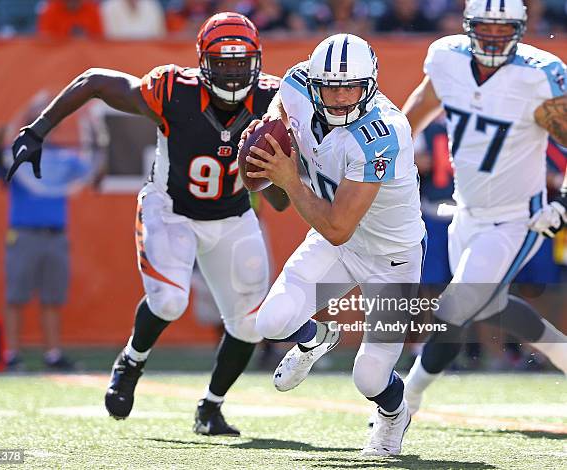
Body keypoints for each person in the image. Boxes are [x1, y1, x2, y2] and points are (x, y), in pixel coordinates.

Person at [6, 12, 288, 436]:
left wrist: (274, 172)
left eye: (240, 61)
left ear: (257, 61)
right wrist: (40, 129)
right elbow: (95, 80)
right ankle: (132, 361)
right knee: (169, 301)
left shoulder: (275, 101)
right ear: (202, 62)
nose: (232, 72)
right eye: (222, 61)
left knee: (249, 323)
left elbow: (281, 202)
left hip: (232, 214)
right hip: (171, 209)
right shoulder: (173, 90)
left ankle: (210, 408)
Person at [243, 33, 426, 456]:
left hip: (390, 257)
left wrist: (288, 178)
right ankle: (315, 338)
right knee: (271, 323)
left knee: (370, 378)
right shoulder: (296, 86)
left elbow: (338, 225)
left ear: (371, 84)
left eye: (351, 87)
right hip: (338, 247)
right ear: (313, 82)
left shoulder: (384, 132)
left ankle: (394, 414)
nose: (341, 98)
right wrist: (269, 137)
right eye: (331, 87)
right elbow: (280, 114)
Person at [399, 0, 567, 416]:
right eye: (485, 27)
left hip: (517, 218)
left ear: (522, 29)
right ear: (468, 26)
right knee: (487, 303)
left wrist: (562, 202)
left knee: (458, 303)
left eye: (503, 28)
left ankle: (404, 399)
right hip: (465, 211)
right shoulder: (446, 58)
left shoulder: (540, 75)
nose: (493, 36)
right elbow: (416, 112)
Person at [0, 91, 106, 371]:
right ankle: (11, 354)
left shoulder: (65, 158)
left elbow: (95, 177)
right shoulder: (17, 153)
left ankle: (53, 354)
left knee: (52, 297)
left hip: (56, 235)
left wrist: (100, 143)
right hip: (23, 234)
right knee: (16, 296)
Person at [101, 0, 166, 39]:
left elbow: (160, 38)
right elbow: (110, 40)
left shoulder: (153, 6)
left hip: (150, 55)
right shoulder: (109, 7)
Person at [37, 0, 104, 39]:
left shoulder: (92, 9)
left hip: (86, 53)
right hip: (58, 55)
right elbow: (45, 38)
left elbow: (99, 37)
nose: (73, 2)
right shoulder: (50, 10)